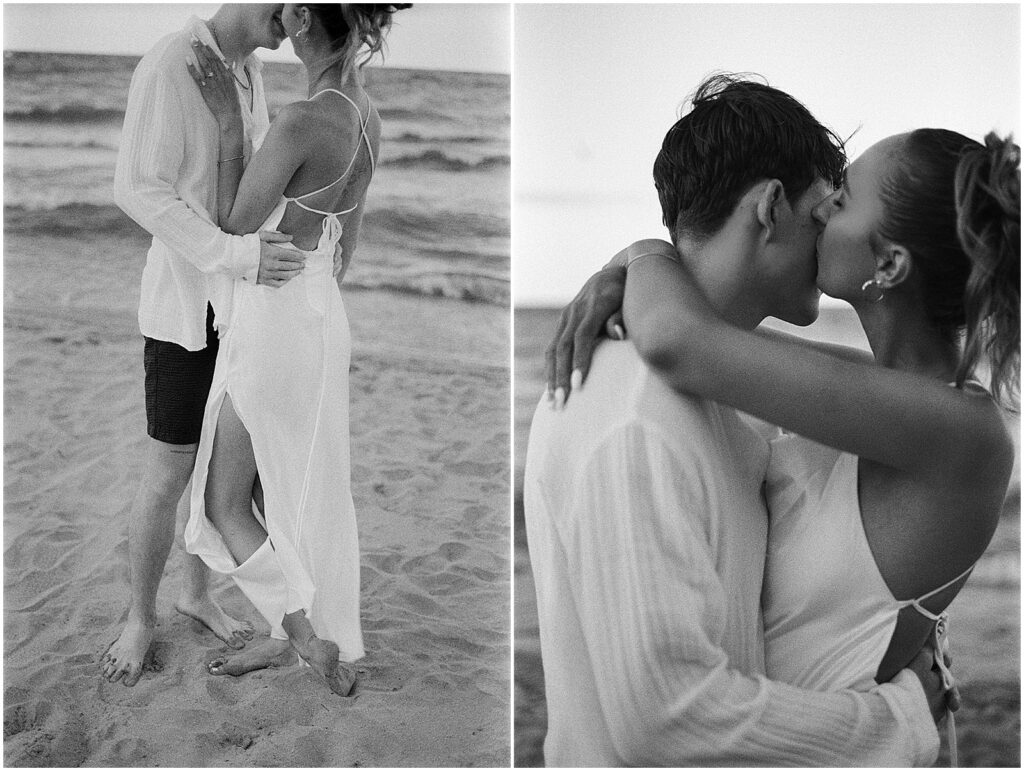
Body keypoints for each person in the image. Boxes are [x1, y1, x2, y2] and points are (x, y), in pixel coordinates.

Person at [542, 76, 1020, 763]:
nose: (825, 209)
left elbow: (682, 338)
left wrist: (645, 254)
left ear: (887, 264)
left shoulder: (961, 430)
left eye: (843, 200)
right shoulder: (869, 390)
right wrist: (631, 263)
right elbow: (707, 338)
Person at [181, 3, 409, 697]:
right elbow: (348, 247)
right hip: (320, 314)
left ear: (304, 17)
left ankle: (305, 636)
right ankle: (295, 633)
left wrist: (226, 126)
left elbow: (233, 224)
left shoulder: (302, 121)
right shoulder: (365, 118)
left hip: (277, 316)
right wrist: (305, 273)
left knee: (224, 500)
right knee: (300, 491)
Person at [106, 4, 311, 688]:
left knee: (216, 470)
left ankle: (196, 594)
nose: (301, 19)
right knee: (169, 470)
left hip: (238, 309)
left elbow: (242, 188)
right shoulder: (172, 61)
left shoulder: (249, 73)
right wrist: (233, 254)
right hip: (182, 310)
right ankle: (140, 615)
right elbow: (137, 188)